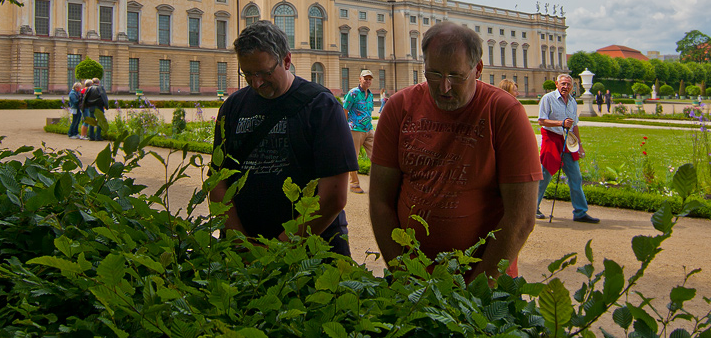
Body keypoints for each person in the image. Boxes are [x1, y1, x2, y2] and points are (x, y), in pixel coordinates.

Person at [369, 22, 541, 282]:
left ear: (478, 69)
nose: (443, 87)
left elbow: (521, 218)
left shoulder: (505, 113)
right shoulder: (399, 107)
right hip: (410, 278)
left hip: (485, 280)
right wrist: (404, 275)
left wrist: (476, 291)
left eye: (456, 76)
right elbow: (380, 202)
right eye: (434, 74)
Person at [210, 21, 358, 254]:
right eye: (247, 74)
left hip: (311, 249)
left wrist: (279, 248)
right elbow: (218, 182)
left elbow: (334, 196)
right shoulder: (233, 107)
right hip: (244, 253)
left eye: (264, 73)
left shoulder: (321, 106)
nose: (256, 83)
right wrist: (241, 242)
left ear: (287, 61)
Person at [536, 74, 600, 224]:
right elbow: (541, 121)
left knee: (575, 176)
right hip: (552, 138)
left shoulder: (572, 102)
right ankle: (532, 207)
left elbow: (574, 125)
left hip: (567, 140)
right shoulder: (548, 98)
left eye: (568, 85)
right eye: (563, 84)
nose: (566, 87)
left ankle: (580, 212)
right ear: (557, 84)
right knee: (544, 176)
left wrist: (580, 146)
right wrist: (560, 123)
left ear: (572, 87)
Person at [344, 69, 375, 194]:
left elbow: (369, 111)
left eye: (369, 79)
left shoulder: (371, 94)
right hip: (355, 129)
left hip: (369, 129)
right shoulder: (353, 93)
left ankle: (377, 183)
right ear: (360, 79)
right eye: (365, 78)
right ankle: (354, 184)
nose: (367, 81)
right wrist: (344, 129)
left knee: (377, 156)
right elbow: (345, 110)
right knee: (353, 157)